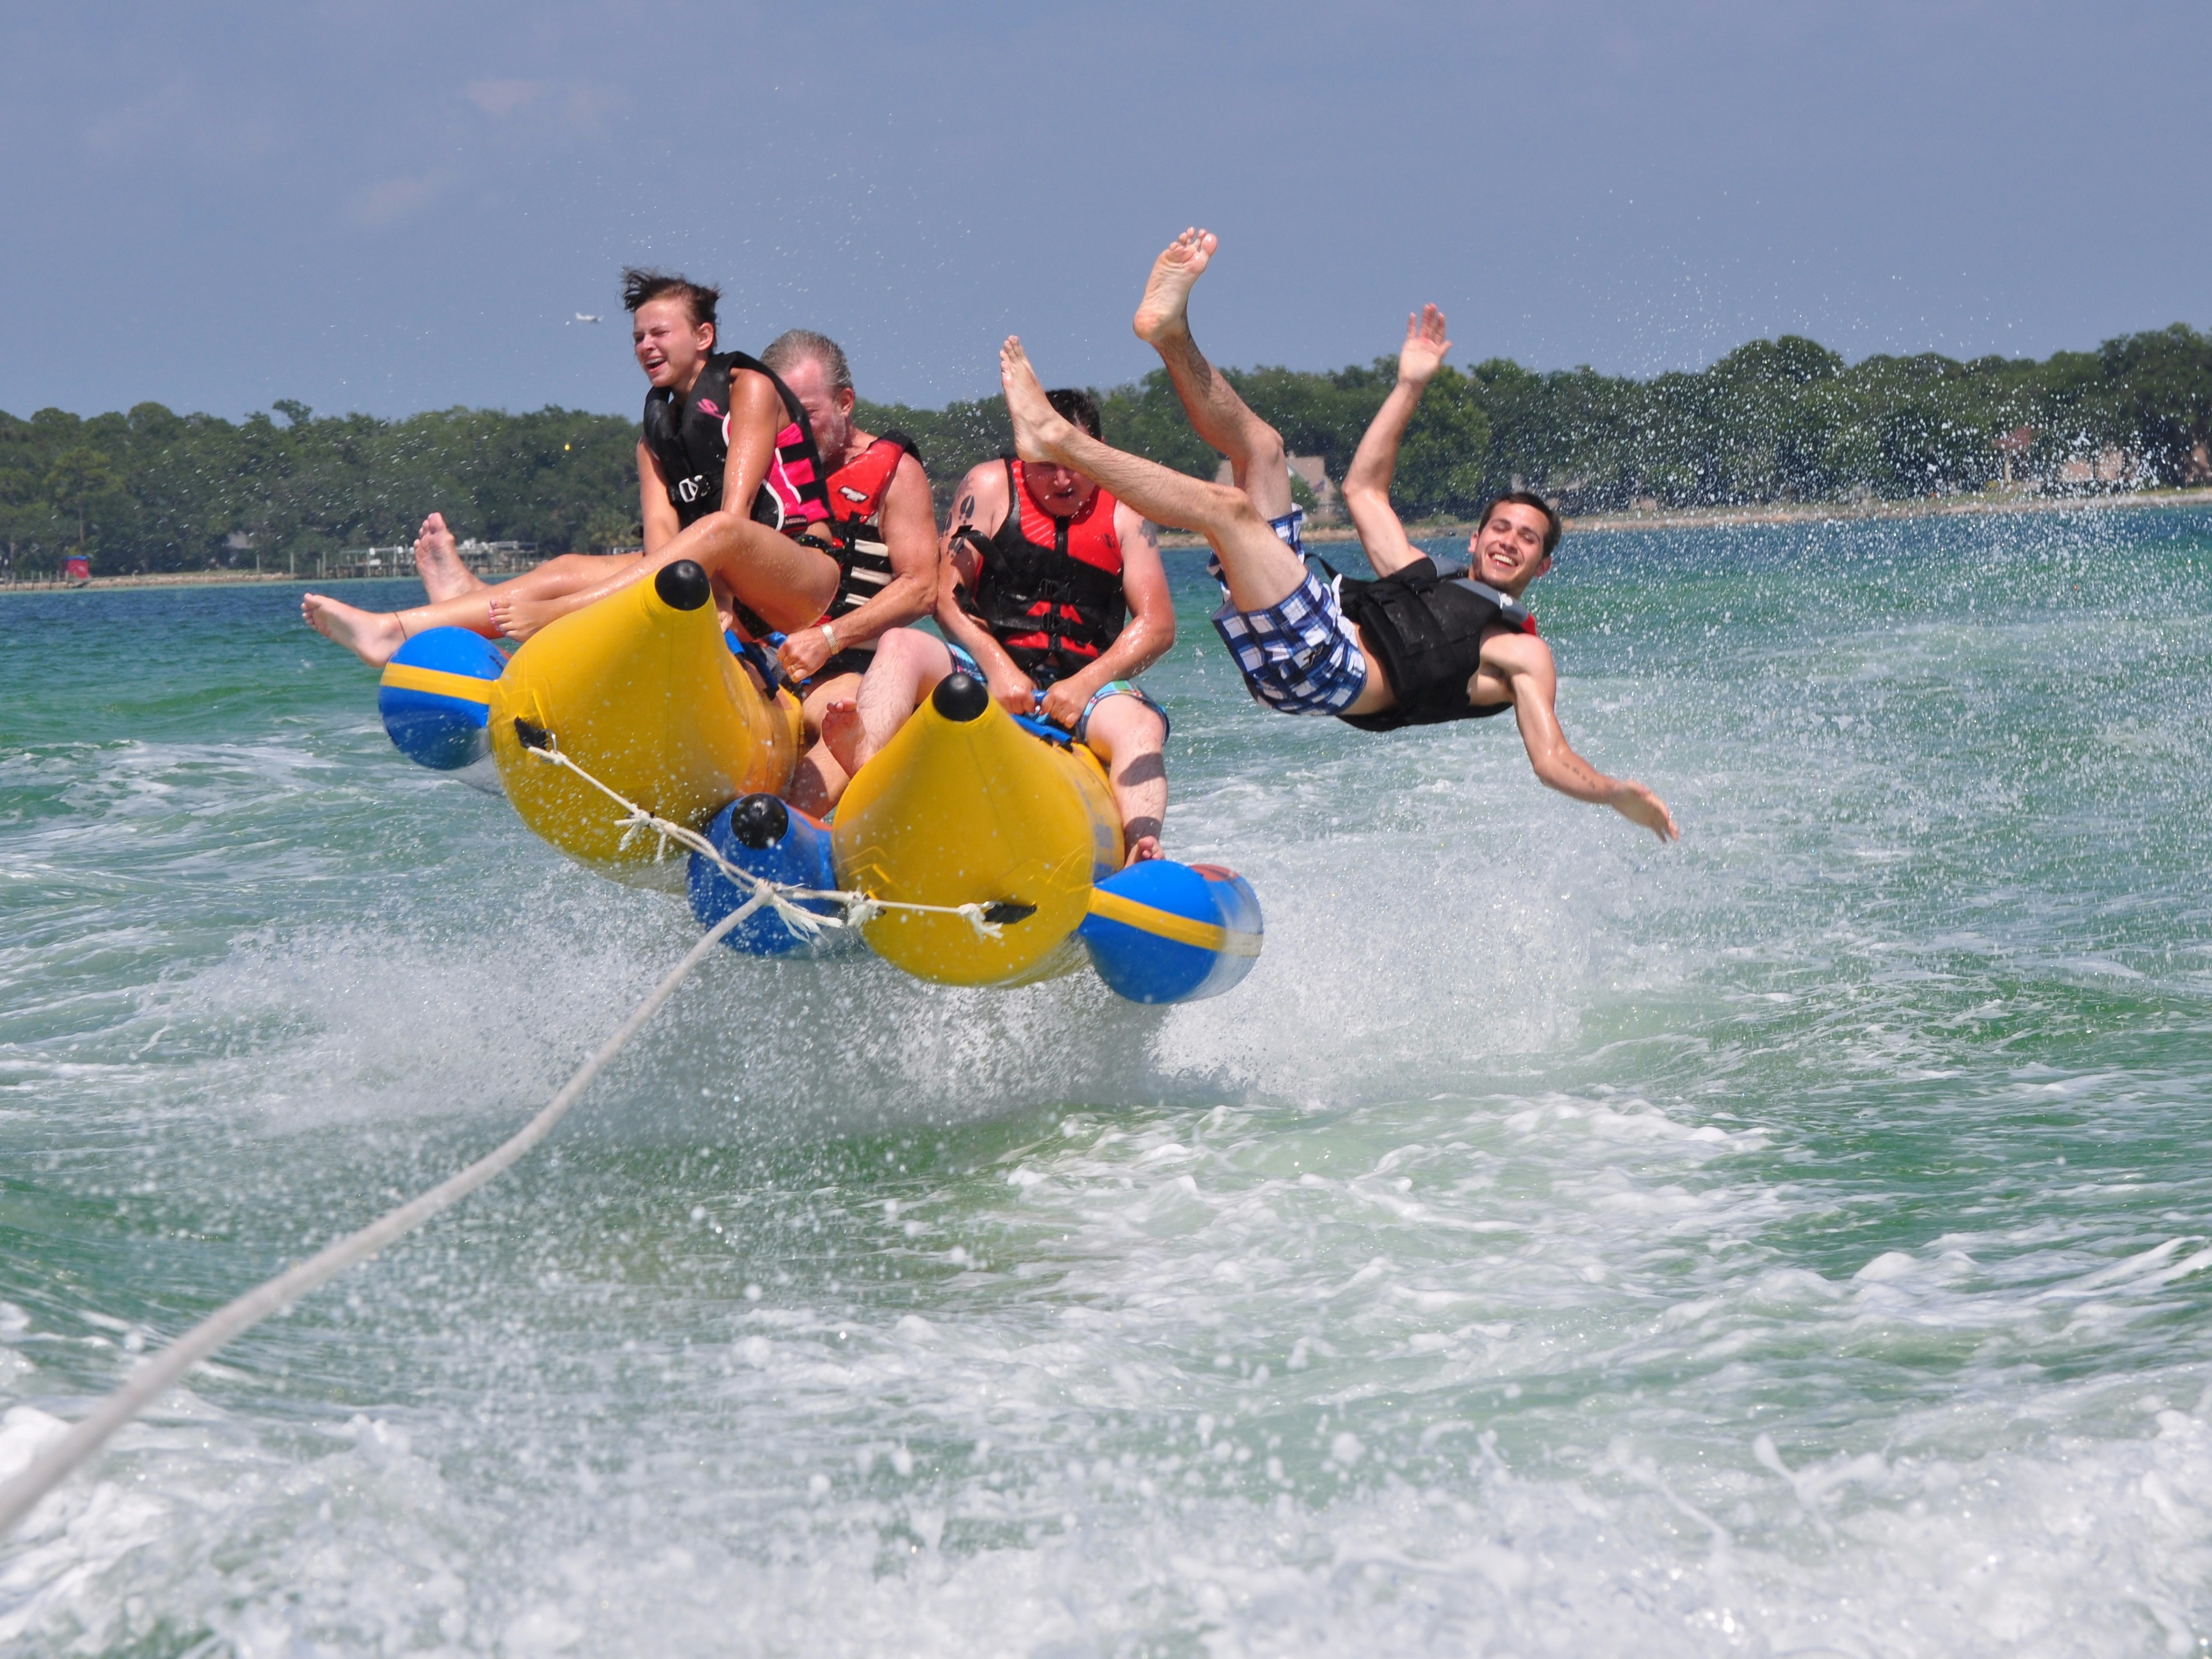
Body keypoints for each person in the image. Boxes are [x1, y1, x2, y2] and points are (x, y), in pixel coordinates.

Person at [997, 232, 1678, 841]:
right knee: (1263, 450)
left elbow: (1550, 758)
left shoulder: (1522, 652)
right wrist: (1409, 384)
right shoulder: (1423, 574)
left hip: (1326, 668)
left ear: (1542, 565)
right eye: (1499, 527)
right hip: (1311, 623)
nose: (1508, 541)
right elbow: (1363, 490)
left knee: (1228, 511)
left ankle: (1059, 442)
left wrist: (1612, 793)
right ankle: (1167, 333)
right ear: (1473, 541)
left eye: (1527, 539)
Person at [301, 269, 841, 668]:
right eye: (638, 337)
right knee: (562, 569)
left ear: (703, 337)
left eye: (660, 333)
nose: (646, 346)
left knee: (718, 528)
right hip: (716, 580)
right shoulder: (653, 440)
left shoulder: (750, 387)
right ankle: (394, 631)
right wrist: (678, 607)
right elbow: (660, 541)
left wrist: (715, 601)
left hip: (800, 579)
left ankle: (554, 618)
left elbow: (736, 516)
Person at [822, 388, 1177, 864]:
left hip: (1087, 686)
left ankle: (1141, 845)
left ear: (1098, 449)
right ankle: (867, 758)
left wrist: (1084, 683)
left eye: (1074, 460)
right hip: (988, 672)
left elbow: (1157, 626)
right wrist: (999, 667)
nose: (1062, 478)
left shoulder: (1127, 509)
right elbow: (943, 593)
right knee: (900, 643)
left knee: (1141, 724)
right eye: (1045, 463)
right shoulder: (989, 486)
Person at [753, 330, 940, 815]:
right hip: (764, 664)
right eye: (780, 414)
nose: (792, 429)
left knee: (850, 710)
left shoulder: (896, 473)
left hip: (845, 668)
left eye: (806, 414)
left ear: (844, 403)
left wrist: (829, 639)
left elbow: (921, 587)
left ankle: (784, 830)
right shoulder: (759, 470)